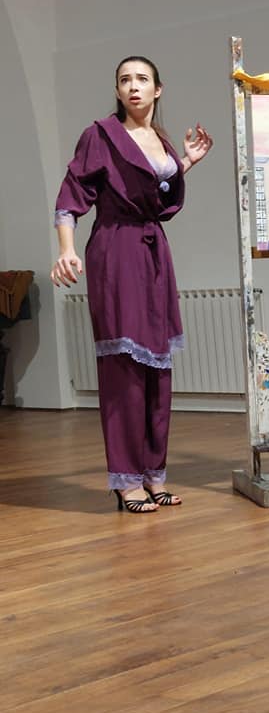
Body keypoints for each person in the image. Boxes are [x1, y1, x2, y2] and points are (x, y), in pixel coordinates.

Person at [51, 56, 213, 513]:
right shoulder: (100, 135)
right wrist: (66, 249)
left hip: (153, 252)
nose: (133, 86)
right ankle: (126, 481)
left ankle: (153, 474)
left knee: (158, 368)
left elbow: (152, 197)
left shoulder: (161, 141)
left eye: (142, 79)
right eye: (125, 80)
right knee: (123, 368)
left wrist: (186, 162)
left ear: (158, 89)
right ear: (118, 90)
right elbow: (70, 198)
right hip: (115, 250)